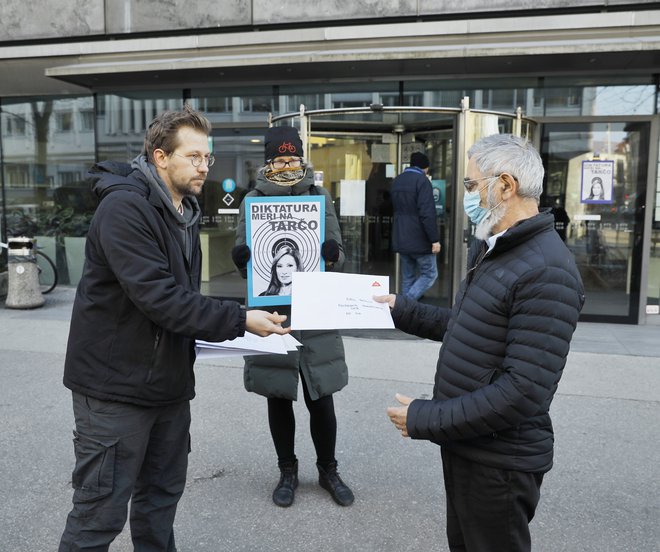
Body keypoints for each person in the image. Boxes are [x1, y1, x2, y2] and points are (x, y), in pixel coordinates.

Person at [59, 104, 289, 551]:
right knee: (98, 516)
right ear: (161, 157)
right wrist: (239, 318)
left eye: (208, 157)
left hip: (167, 385)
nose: (205, 166)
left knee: (159, 504)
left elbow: (180, 299)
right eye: (194, 156)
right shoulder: (124, 209)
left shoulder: (183, 209)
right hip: (114, 391)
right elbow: (160, 298)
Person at [375, 134, 585, 552]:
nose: (466, 196)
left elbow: (523, 391)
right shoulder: (495, 248)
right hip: (469, 444)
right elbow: (468, 326)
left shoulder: (547, 270)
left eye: (472, 186)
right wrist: (400, 308)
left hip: (500, 462)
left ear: (505, 186)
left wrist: (424, 418)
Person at [231, 125, 355, 508]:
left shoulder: (319, 197)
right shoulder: (252, 201)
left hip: (315, 312)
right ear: (269, 162)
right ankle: (287, 470)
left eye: (292, 157)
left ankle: (328, 469)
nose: (287, 164)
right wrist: (242, 259)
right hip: (271, 315)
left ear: (301, 158)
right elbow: (246, 260)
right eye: (280, 158)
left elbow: (338, 257)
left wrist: (333, 253)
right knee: (278, 395)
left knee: (322, 397)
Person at [391, 151, 441, 300]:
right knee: (430, 274)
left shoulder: (397, 181)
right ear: (425, 168)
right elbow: (427, 213)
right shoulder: (422, 181)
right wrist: (434, 239)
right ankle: (405, 304)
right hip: (420, 239)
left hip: (401, 237)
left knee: (408, 278)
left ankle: (404, 315)